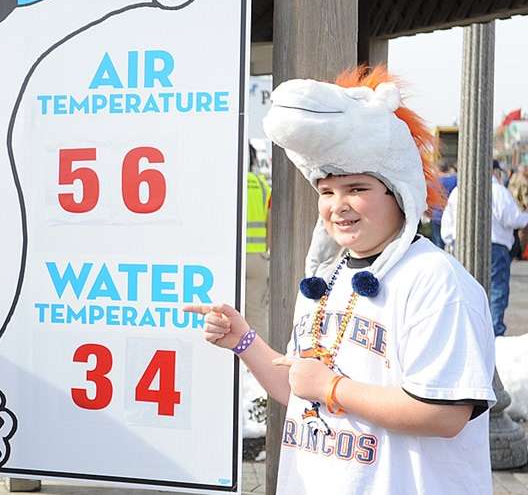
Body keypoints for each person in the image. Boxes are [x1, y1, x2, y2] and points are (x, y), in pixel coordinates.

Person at [187, 67, 495, 494]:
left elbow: (445, 413)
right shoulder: (324, 278)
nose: (339, 206)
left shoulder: (436, 281)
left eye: (357, 188)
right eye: (327, 191)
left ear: (399, 191)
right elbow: (298, 386)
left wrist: (332, 386)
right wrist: (242, 339)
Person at [441, 159, 528, 336]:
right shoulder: (498, 191)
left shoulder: (459, 191)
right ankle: (493, 332)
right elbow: (512, 218)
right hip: (496, 246)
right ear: (495, 171)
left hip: (461, 245)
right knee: (496, 290)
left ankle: (468, 331)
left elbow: (447, 224)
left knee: (465, 290)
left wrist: (451, 242)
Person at [244, 143, 270, 338]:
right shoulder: (262, 184)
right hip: (258, 257)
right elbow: (270, 220)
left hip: (232, 258)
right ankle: (256, 364)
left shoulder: (226, 181)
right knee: (256, 313)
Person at [428, 160, 456, 248]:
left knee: (437, 244)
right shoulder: (455, 180)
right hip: (450, 214)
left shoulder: (434, 181)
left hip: (436, 214)